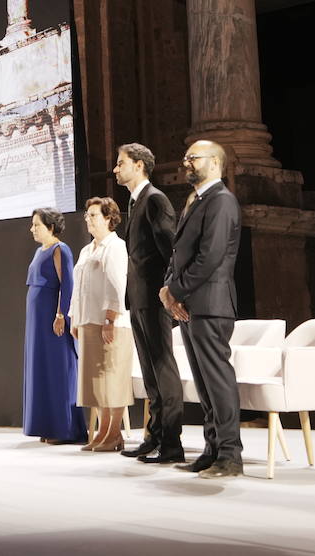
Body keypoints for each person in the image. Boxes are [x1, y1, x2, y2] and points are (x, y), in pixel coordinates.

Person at [162, 140, 244, 479]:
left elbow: (209, 257)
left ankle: (230, 455)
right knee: (204, 383)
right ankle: (211, 450)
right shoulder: (197, 201)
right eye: (186, 158)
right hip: (190, 304)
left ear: (214, 162)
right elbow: (180, 252)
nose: (186, 163)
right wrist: (169, 289)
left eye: (192, 158)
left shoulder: (221, 201)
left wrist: (175, 291)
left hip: (210, 304)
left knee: (217, 381)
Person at [112, 143, 185, 464]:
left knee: (162, 368)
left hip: (156, 297)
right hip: (139, 298)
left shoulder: (155, 199)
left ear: (139, 165)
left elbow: (171, 249)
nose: (115, 169)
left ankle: (172, 443)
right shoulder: (136, 200)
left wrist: (172, 290)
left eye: (121, 163)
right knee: (149, 370)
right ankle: (154, 436)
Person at [68, 197, 133, 452]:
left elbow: (116, 285)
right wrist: (74, 315)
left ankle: (114, 434)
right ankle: (103, 432)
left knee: (112, 378)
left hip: (110, 323)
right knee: (98, 381)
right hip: (88, 320)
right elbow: (78, 288)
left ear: (108, 218)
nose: (88, 219)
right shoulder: (87, 250)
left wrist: (110, 318)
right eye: (87, 215)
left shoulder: (115, 247)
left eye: (94, 215)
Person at [22, 208, 87, 445]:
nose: (32, 229)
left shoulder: (61, 249)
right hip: (37, 320)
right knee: (42, 369)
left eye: (36, 225)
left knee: (58, 369)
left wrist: (61, 314)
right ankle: (46, 425)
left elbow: (66, 285)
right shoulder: (41, 250)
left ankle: (64, 429)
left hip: (53, 318)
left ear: (50, 227)